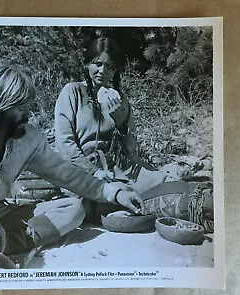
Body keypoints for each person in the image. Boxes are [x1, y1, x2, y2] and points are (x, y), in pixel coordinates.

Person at [0, 63, 144, 270]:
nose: (26, 115)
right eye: (20, 108)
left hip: (0, 213)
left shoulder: (28, 138)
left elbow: (65, 174)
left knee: (73, 209)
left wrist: (113, 192)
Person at [55, 37, 190, 221]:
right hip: (83, 170)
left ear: (115, 70)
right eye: (97, 63)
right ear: (88, 63)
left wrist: (122, 124)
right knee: (116, 198)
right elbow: (65, 143)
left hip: (121, 168)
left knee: (169, 185)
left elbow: (130, 149)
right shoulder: (73, 92)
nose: (103, 70)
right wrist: (94, 171)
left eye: (110, 66)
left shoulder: (120, 101)